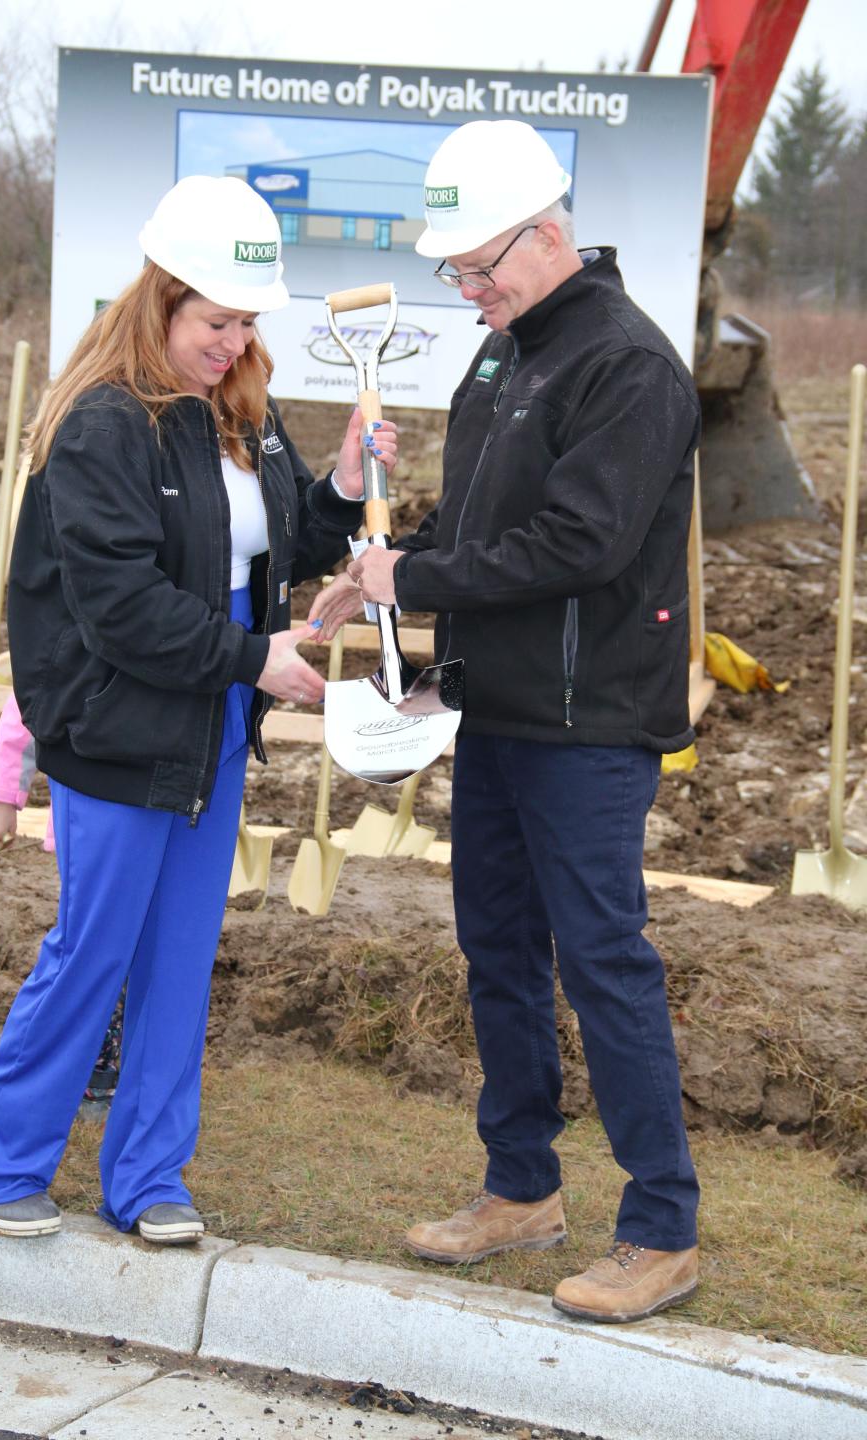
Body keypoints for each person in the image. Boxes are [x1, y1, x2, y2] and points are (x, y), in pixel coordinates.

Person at [0, 174, 397, 1245]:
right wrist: (255, 661)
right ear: (159, 301)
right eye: (215, 320)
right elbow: (119, 608)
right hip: (116, 734)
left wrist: (336, 487)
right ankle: (2, 1159)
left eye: (247, 321)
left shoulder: (243, 408)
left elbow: (277, 547)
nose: (234, 340)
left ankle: (147, 1178)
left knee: (178, 966)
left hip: (207, 740)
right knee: (92, 954)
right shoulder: (104, 425)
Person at [311, 120, 700, 1324]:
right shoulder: (502, 358)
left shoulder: (626, 367)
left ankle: (661, 1226)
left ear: (546, 235)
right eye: (455, 274)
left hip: (590, 724)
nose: (468, 290)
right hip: (498, 710)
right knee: (498, 958)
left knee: (604, 964)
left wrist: (416, 585)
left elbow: (584, 543)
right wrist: (388, 559)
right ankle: (522, 1188)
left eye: (480, 267)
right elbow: (484, 539)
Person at [0, 694, 125, 1107]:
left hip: (166, 815)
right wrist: (4, 795)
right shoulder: (75, 632)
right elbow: (31, 701)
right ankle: (91, 1071)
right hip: (91, 816)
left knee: (139, 949)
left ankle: (123, 1065)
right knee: (93, 948)